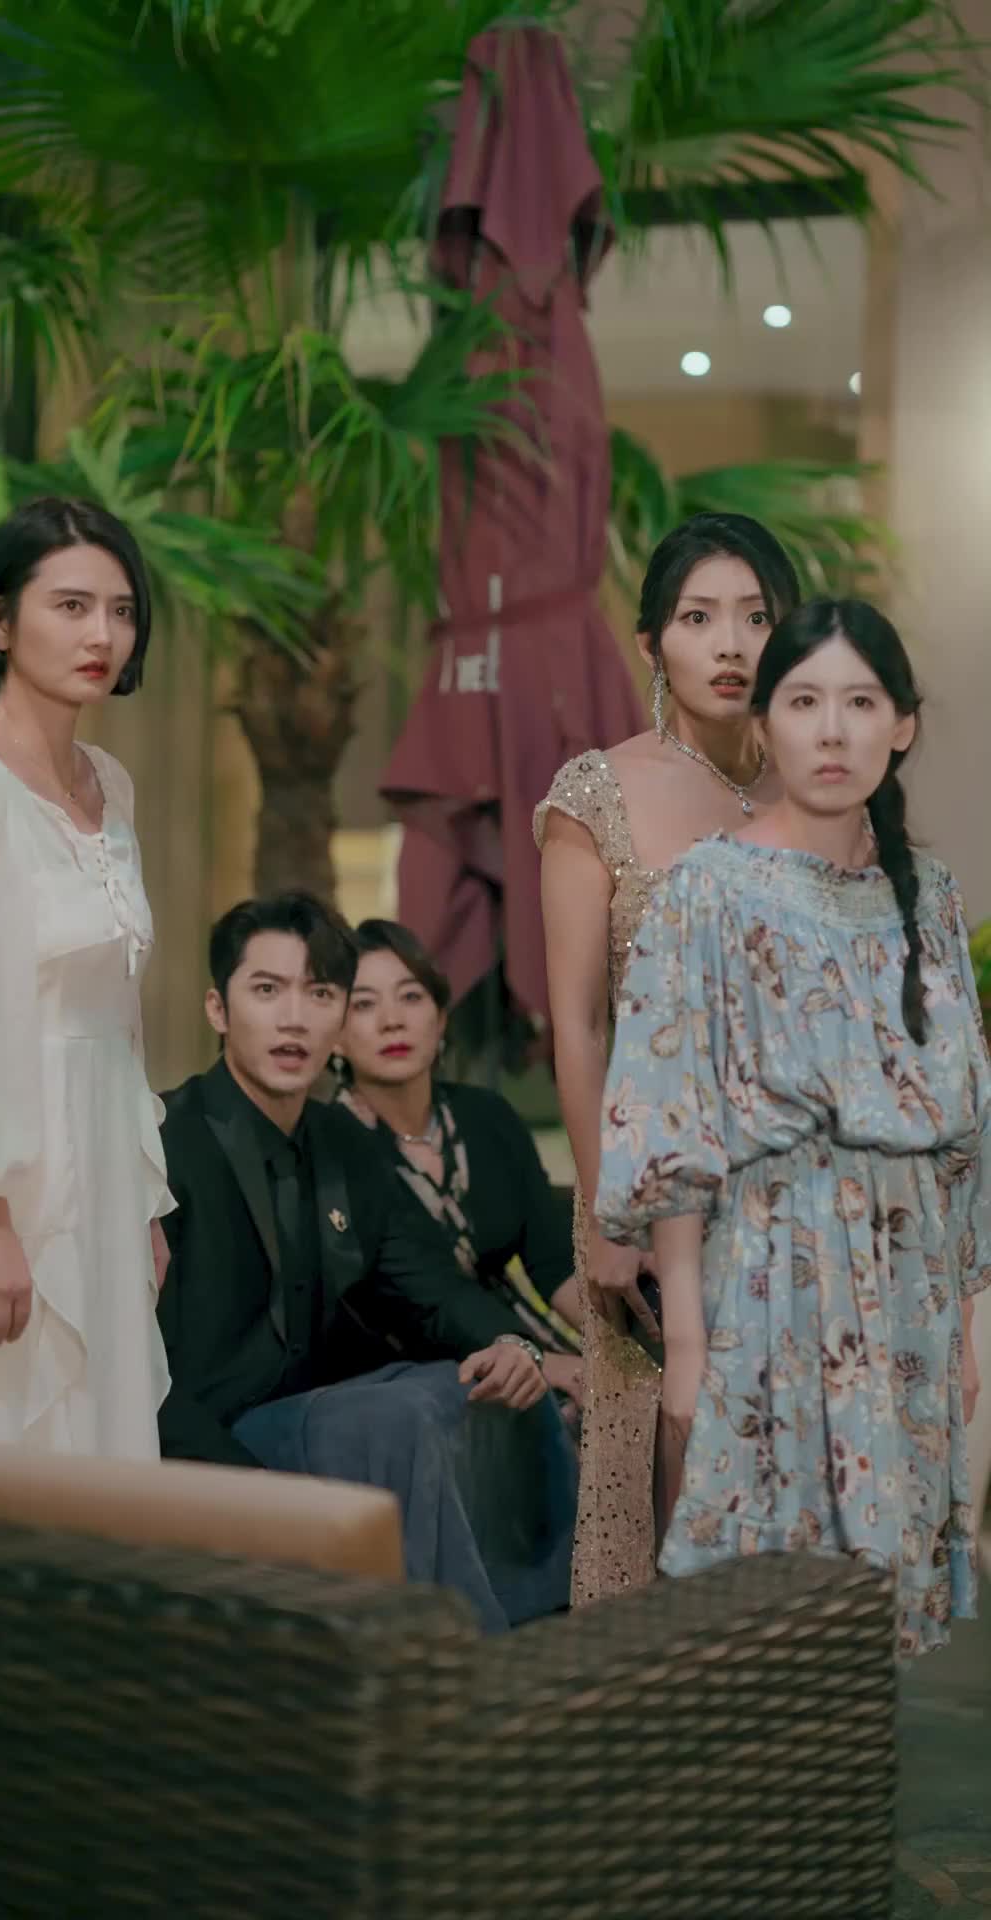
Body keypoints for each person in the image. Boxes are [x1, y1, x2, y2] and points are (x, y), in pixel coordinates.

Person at [596, 598, 989, 1658]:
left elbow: (966, 1138)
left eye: (860, 703)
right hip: (766, 1287)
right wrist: (687, 1343)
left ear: (902, 725)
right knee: (759, 1613)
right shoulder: (705, 893)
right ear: (764, 724)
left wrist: (962, 1335)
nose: (832, 730)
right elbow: (671, 1126)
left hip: (908, 1300)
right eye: (805, 702)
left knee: (867, 1626)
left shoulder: (930, 898)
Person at [157, 892, 574, 1630]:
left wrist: (512, 1344)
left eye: (319, 994)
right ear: (218, 1009)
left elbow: (427, 1284)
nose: (294, 1019)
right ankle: (445, 1657)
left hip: (315, 1414)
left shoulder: (342, 1141)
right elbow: (138, 1366)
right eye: (267, 990)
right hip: (208, 1442)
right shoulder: (166, 1139)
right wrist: (249, 1493)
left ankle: (556, 1617)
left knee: (476, 1387)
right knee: (395, 1416)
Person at [535, 512, 799, 1601]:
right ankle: (672, 1703)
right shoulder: (596, 794)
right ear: (652, 642)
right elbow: (579, 1025)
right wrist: (606, 1213)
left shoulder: (819, 789)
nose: (730, 644)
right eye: (699, 618)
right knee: (675, 1479)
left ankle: (789, 1698)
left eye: (756, 617)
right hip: (657, 1192)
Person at [0, 497, 171, 1457]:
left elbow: (122, 1014)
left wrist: (144, 1204)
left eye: (121, 610)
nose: (102, 635)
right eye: (70, 606)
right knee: (16, 1451)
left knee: (108, 1452)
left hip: (105, 1165)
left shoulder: (113, 781)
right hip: (4, 1175)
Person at [334, 918, 583, 1400]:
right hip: (408, 1375)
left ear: (441, 1017)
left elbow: (551, 1262)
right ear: (336, 1036)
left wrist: (626, 1349)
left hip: (519, 1341)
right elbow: (429, 1298)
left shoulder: (486, 1117)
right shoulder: (332, 1145)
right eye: (364, 1004)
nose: (392, 1020)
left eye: (411, 997)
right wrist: (551, 1365)